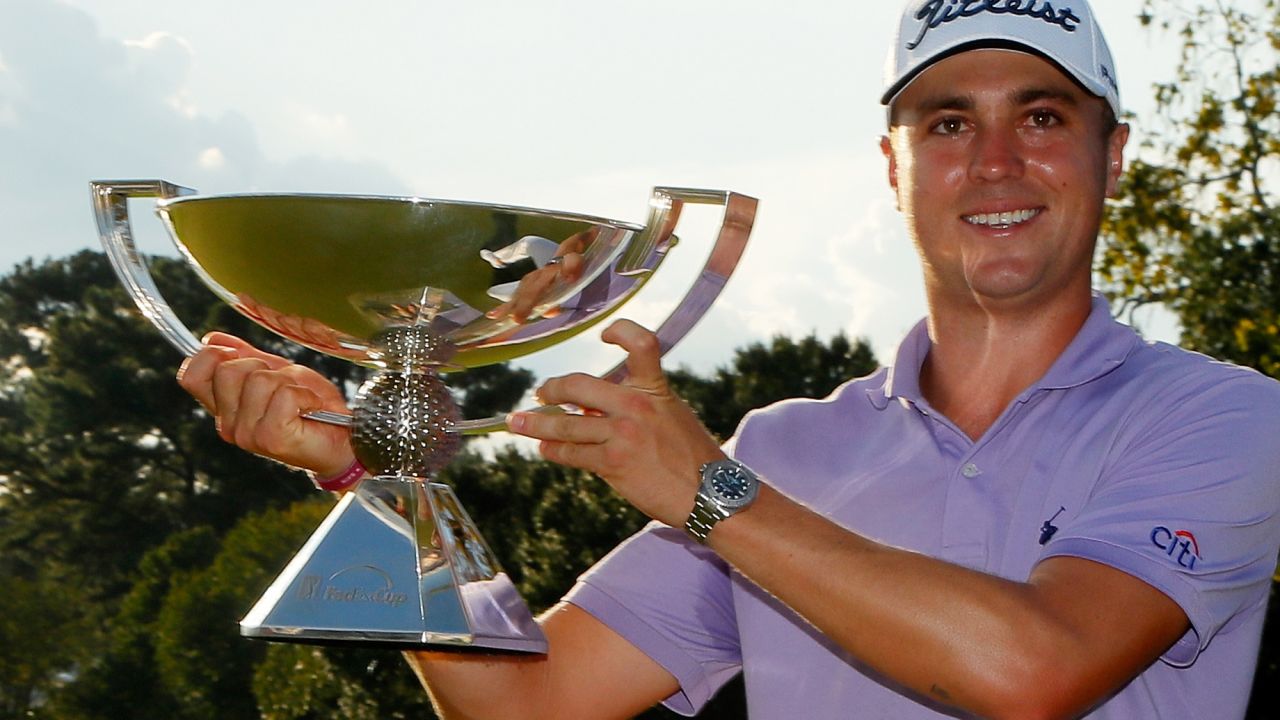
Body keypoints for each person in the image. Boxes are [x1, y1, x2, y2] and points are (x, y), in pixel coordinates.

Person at [177, 1, 1280, 717]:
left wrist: (705, 492)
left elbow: (1036, 671)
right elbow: (530, 704)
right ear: (889, 167)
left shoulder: (1222, 419)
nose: (994, 162)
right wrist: (379, 477)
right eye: (945, 124)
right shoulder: (787, 450)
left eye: (1039, 116)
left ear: (1112, 155)